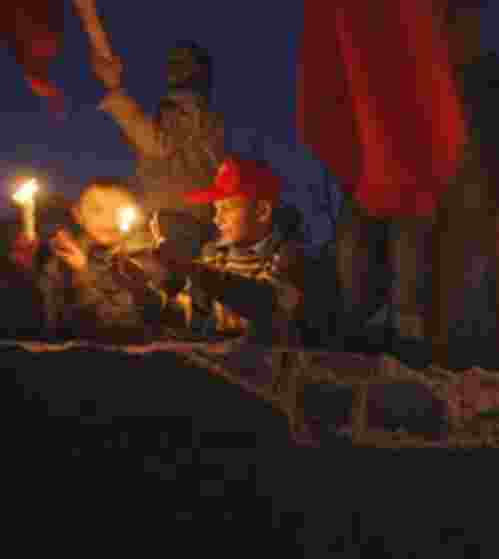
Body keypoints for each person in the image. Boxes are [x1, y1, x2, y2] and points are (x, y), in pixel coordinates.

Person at [125, 156, 306, 346]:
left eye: (227, 208)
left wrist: (190, 268)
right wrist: (141, 291)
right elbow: (186, 319)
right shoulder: (215, 256)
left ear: (262, 211)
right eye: (216, 209)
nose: (217, 219)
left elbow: (266, 302)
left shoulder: (292, 256)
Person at [90, 40, 225, 261]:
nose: (173, 69)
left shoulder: (188, 107)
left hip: (182, 218)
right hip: (184, 215)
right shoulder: (190, 110)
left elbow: (156, 145)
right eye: (172, 62)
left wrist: (115, 91)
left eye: (182, 63)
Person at [6, 178, 164, 343]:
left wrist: (82, 273)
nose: (108, 220)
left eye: (119, 210)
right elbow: (37, 324)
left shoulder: (146, 263)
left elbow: (122, 329)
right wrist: (23, 271)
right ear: (78, 214)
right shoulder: (62, 261)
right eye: (97, 210)